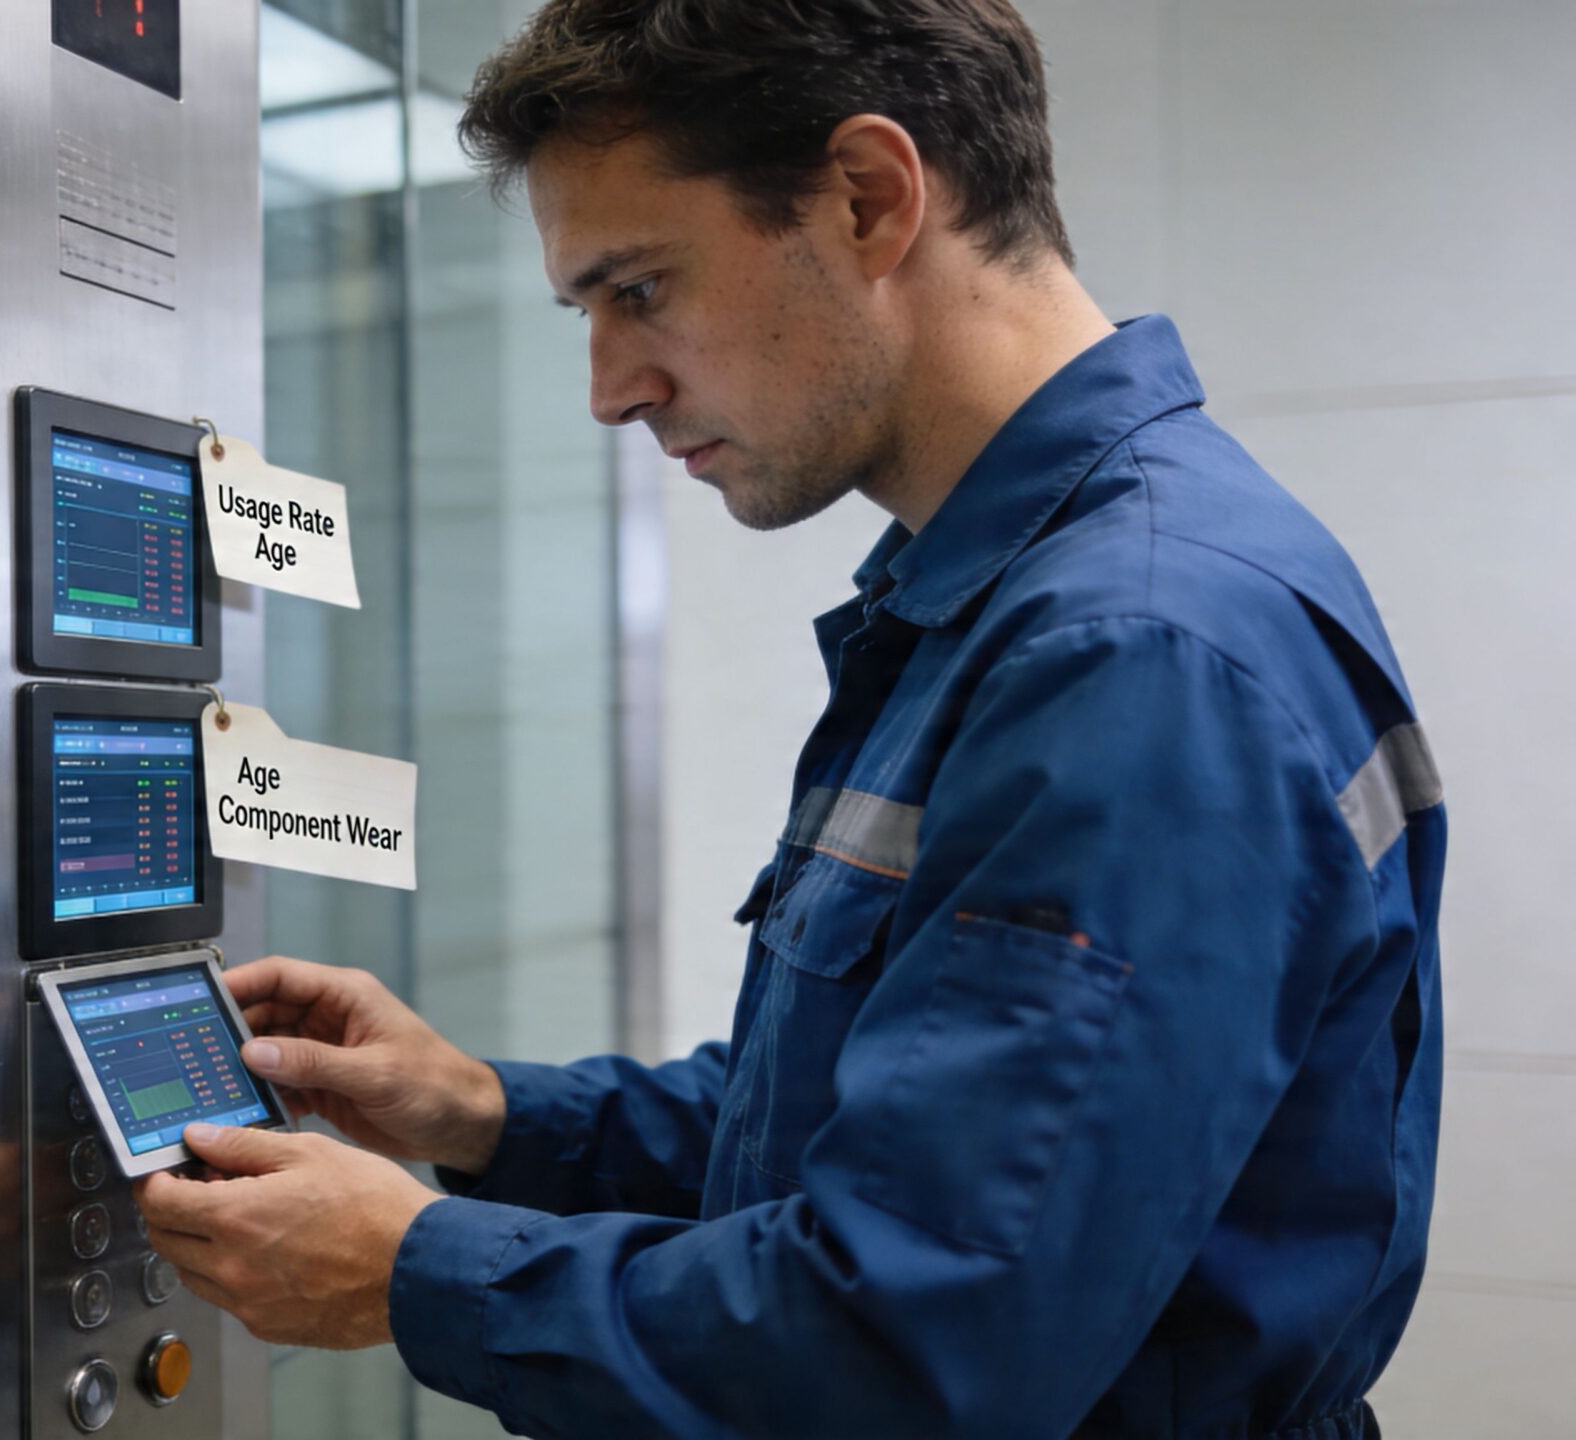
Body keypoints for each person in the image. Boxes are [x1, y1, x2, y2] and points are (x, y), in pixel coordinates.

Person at [133, 0, 1446, 1435]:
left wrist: (414, 1273)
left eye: (640, 288)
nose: (609, 391)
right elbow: (901, 1142)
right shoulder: (1008, 603)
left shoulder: (1134, 650)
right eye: (587, 315)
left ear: (870, 198)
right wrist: (489, 1114)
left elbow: (924, 1340)